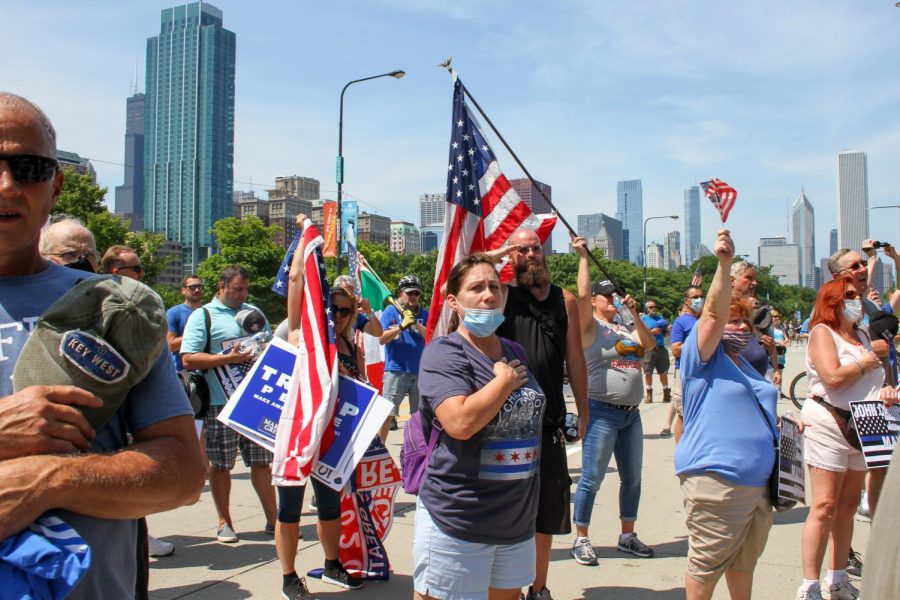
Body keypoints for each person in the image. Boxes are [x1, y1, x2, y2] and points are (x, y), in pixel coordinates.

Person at [0, 92, 204, 598]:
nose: (6, 185)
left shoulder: (117, 310)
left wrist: (49, 477)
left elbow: (182, 473)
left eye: (26, 167)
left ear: (56, 185)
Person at [414, 253, 546, 600]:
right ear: (455, 302)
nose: (488, 295)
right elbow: (459, 423)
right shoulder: (444, 353)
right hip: (458, 518)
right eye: (476, 288)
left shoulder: (514, 349)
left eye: (494, 286)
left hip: (515, 520)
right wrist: (501, 383)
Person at [675, 229, 778, 600]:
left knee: (742, 566)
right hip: (718, 481)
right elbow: (712, 317)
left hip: (759, 485)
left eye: (743, 324)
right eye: (731, 322)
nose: (737, 328)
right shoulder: (701, 358)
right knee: (706, 568)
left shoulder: (745, 366)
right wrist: (723, 264)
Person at [495, 228, 588, 600]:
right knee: (508, 513)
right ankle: (507, 590)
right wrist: (499, 252)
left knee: (546, 515)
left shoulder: (563, 300)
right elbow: (464, 270)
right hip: (505, 425)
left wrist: (584, 411)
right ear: (512, 256)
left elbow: (576, 360)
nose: (531, 254)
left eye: (535, 248)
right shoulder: (500, 296)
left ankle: (539, 588)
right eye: (522, 249)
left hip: (548, 424)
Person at [275, 215, 364, 599]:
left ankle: (332, 564)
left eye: (345, 310)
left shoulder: (351, 345)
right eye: (333, 308)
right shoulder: (302, 336)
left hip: (334, 438)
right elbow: (297, 283)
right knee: (290, 508)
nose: (338, 315)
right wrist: (305, 239)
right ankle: (288, 576)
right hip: (299, 432)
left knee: (330, 506)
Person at [795, 276, 891, 600]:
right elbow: (833, 377)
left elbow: (879, 378)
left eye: (857, 294)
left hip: (867, 424)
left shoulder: (863, 334)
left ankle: (836, 578)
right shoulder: (823, 333)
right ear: (833, 300)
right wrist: (865, 362)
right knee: (824, 505)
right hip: (829, 423)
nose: (856, 299)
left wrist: (887, 389)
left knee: (848, 506)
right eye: (849, 295)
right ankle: (809, 585)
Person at [569, 237, 657, 568]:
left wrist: (634, 314)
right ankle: (582, 537)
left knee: (632, 478)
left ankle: (627, 534)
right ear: (595, 301)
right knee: (592, 478)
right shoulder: (590, 327)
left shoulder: (622, 326)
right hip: (602, 412)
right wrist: (582, 258)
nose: (614, 299)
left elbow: (648, 346)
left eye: (616, 295)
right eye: (609, 295)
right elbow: (580, 294)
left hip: (631, 415)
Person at [181, 265, 277, 543]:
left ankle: (273, 519)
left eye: (245, 289)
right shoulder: (204, 316)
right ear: (221, 286)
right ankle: (225, 521)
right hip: (219, 403)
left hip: (253, 399)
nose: (242, 294)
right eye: (237, 289)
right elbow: (188, 358)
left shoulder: (253, 312)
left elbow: (268, 346)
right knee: (221, 465)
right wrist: (227, 359)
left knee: (262, 463)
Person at [378, 274, 428, 439]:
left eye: (416, 293)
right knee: (387, 415)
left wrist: (416, 324)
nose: (413, 297)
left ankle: (417, 452)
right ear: (401, 293)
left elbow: (432, 337)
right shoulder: (390, 311)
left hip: (420, 371)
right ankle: (379, 452)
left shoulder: (425, 313)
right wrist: (401, 326)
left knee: (420, 417)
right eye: (409, 293)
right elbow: (382, 338)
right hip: (396, 370)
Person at [662, 286, 704, 440]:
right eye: (695, 297)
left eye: (701, 296)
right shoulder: (681, 322)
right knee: (683, 416)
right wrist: (699, 343)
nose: (700, 299)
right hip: (686, 373)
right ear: (687, 301)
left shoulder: (703, 320)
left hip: (704, 372)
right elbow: (676, 349)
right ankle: (681, 454)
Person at [730, 263, 781, 388]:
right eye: (749, 278)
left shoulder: (752, 313)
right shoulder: (722, 309)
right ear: (732, 281)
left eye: (755, 279)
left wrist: (768, 349)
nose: (754, 283)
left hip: (756, 385)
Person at [167, 275, 204, 372]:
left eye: (200, 287)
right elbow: (170, 345)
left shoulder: (209, 312)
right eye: (192, 287)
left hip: (205, 372)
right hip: (182, 373)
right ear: (183, 290)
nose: (197, 290)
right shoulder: (174, 312)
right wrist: (200, 335)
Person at [334, 274, 384, 338]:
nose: (349, 296)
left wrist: (369, 312)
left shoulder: (354, 315)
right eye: (345, 292)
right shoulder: (327, 310)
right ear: (335, 291)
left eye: (351, 293)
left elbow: (378, 333)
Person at [640, 299, 670, 403]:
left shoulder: (661, 318)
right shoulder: (643, 319)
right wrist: (651, 332)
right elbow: (640, 332)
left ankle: (666, 393)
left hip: (661, 348)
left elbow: (666, 334)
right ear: (647, 309)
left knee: (663, 372)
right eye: (651, 307)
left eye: (655, 307)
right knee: (648, 372)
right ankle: (649, 395)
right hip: (649, 349)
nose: (654, 309)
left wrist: (668, 330)